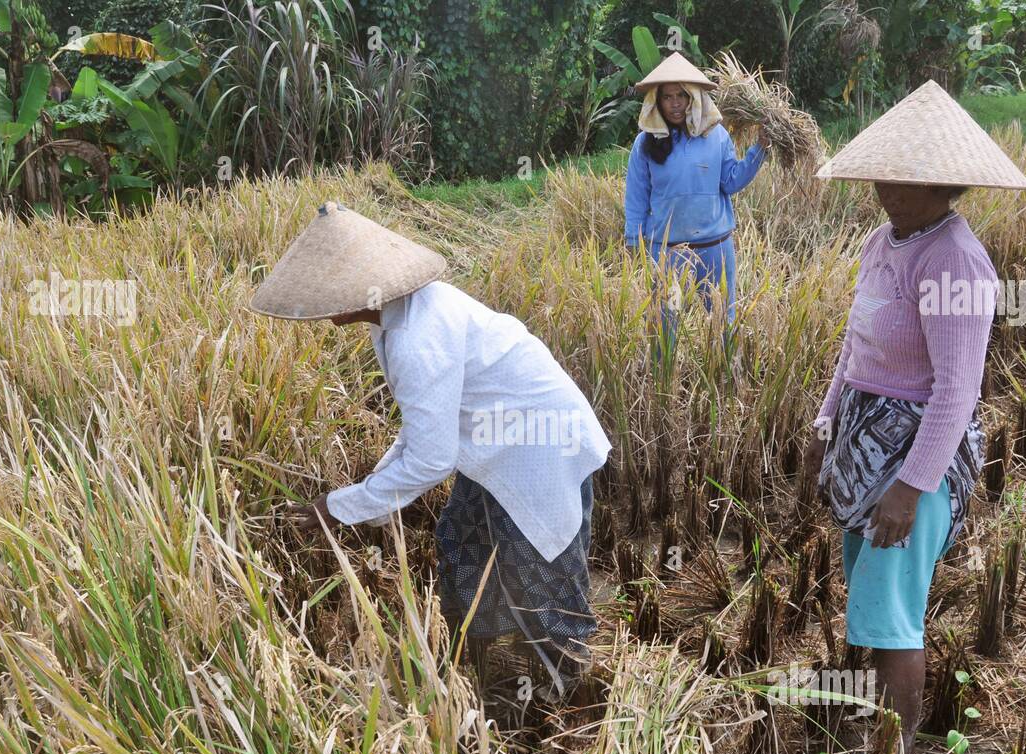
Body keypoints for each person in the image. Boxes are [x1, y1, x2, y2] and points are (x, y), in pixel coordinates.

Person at [249, 202, 612, 693]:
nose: (326, 308)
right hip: (494, 444)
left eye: (330, 296)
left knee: (539, 574)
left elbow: (432, 459)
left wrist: (338, 507)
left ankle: (571, 695)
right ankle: (480, 661)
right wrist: (377, 497)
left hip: (537, 448)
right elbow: (421, 431)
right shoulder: (401, 313)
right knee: (461, 540)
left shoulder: (418, 337)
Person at [804, 81, 1026, 754]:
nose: (886, 189)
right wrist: (825, 417)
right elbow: (855, 345)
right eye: (884, 174)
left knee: (892, 611)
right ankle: (872, 733)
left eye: (904, 180)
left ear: (943, 186)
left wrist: (911, 485)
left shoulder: (955, 261)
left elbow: (958, 389)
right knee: (872, 606)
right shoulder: (885, 241)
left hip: (913, 458)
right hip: (863, 444)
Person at [623, 51, 768, 358]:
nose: (675, 103)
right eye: (667, 97)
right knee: (665, 323)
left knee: (722, 322)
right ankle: (663, 387)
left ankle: (726, 384)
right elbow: (636, 195)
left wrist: (759, 150)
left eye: (682, 96)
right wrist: (634, 240)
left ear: (694, 99)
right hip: (668, 253)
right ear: (656, 102)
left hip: (714, 248)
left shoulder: (716, 136)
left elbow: (731, 181)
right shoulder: (645, 144)